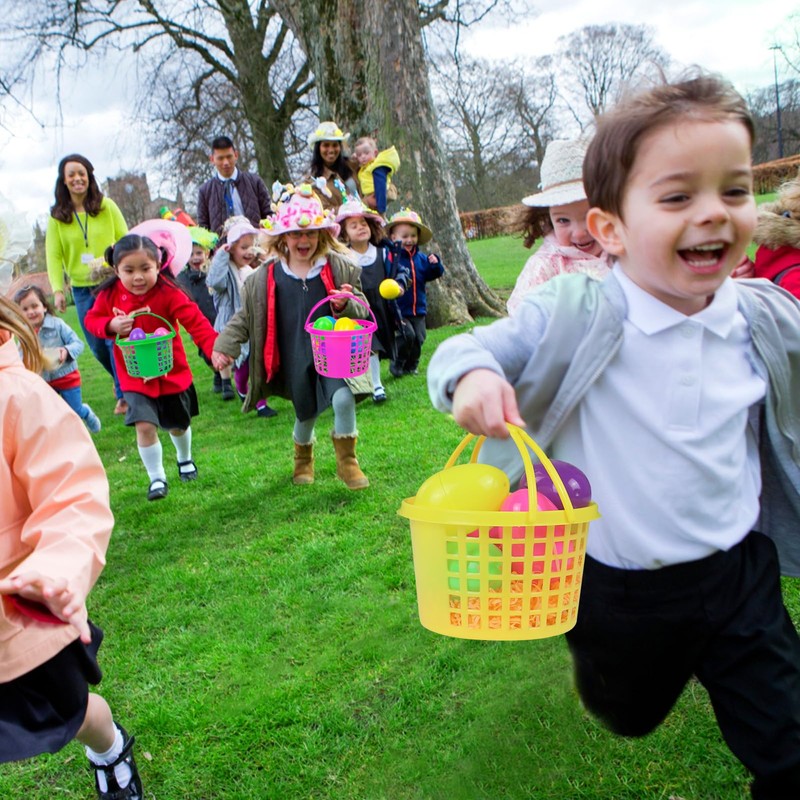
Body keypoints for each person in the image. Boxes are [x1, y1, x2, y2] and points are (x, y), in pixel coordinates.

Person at [427, 73, 800, 798]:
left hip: (737, 573)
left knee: (787, 745)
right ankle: (613, 680)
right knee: (626, 711)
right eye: (677, 196)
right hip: (618, 585)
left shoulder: (760, 314)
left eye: (734, 190)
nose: (715, 215)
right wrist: (472, 379)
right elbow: (463, 350)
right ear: (611, 229)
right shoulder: (578, 307)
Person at [0, 295, 143, 800]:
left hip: (17, 619)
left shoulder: (15, 396)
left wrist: (56, 570)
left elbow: (71, 496)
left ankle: (108, 745)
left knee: (73, 712)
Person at [212, 183, 373, 490]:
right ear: (283, 237)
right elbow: (246, 317)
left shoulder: (338, 269)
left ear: (322, 235)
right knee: (305, 413)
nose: (304, 240)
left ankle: (348, 462)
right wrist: (225, 347)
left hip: (332, 355)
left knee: (343, 397)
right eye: (297, 233)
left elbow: (362, 312)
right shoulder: (266, 277)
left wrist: (346, 304)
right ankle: (303, 458)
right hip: (292, 356)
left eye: (311, 233)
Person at [84, 234, 218, 501]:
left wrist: (214, 348)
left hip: (171, 373)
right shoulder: (111, 294)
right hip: (135, 377)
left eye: (145, 269)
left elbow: (195, 320)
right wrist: (111, 325)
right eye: (129, 270)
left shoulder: (169, 292)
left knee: (178, 424)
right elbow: (92, 320)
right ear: (116, 270)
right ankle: (157, 478)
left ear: (158, 266)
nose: (138, 277)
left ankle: (184, 458)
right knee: (144, 425)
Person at [45, 153, 129, 415]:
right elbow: (54, 255)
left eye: (81, 173)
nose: (77, 178)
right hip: (81, 288)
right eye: (71, 175)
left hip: (111, 282)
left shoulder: (107, 206)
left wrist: (117, 259)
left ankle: (124, 392)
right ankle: (121, 383)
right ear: (64, 181)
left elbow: (125, 238)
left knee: (113, 338)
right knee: (95, 343)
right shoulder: (58, 217)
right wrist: (58, 289)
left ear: (89, 176)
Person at [505, 138, 611, 315]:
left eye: (589, 217)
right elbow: (523, 319)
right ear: (549, 219)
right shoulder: (545, 267)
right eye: (563, 220)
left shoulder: (623, 254)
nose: (579, 232)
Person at [336, 198, 410, 403]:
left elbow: (401, 272)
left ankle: (402, 366)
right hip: (360, 309)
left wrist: (400, 285)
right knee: (370, 346)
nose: (361, 227)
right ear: (344, 233)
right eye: (354, 225)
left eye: (364, 223)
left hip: (383, 308)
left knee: (405, 337)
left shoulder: (384, 252)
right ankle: (376, 386)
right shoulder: (344, 258)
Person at [207, 220, 276, 417]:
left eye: (251, 246)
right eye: (243, 247)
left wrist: (265, 258)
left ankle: (256, 399)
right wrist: (221, 254)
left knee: (256, 363)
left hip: (252, 325)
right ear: (231, 249)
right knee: (244, 365)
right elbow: (215, 281)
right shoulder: (225, 270)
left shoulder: (249, 270)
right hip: (232, 327)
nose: (248, 252)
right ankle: (246, 392)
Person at [13, 284, 101, 434]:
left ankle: (85, 412)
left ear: (44, 307)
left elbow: (78, 343)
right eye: (25, 309)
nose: (31, 312)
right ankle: (64, 439)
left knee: (74, 411)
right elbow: (19, 357)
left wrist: (66, 351)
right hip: (44, 381)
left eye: (35, 306)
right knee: (51, 415)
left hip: (67, 377)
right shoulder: (23, 334)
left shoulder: (57, 325)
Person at [385, 208, 444, 377]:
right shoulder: (391, 258)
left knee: (419, 337)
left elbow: (433, 274)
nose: (409, 240)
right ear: (393, 237)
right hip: (399, 308)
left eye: (413, 236)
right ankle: (398, 363)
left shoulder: (421, 258)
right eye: (404, 236)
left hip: (418, 308)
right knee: (406, 335)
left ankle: (412, 365)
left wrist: (435, 265)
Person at [176, 226, 222, 394]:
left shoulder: (212, 271)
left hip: (216, 317)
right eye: (191, 254)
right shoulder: (182, 277)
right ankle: (217, 372)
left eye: (198, 253)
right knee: (204, 354)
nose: (195, 258)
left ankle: (224, 378)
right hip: (197, 320)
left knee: (220, 347)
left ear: (207, 254)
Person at [196, 136, 272, 235]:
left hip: (254, 246)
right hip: (221, 248)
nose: (226, 162)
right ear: (212, 159)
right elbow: (203, 229)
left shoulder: (255, 182)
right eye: (220, 158)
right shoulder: (205, 191)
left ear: (236, 155)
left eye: (229, 157)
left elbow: (269, 216)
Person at [304, 121, 359, 211]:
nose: (331, 150)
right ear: (318, 148)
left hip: (366, 222)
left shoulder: (353, 165)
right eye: (326, 145)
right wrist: (352, 210)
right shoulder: (312, 182)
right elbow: (323, 210)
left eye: (335, 145)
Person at [352, 136, 400, 215]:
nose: (363, 157)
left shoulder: (376, 167)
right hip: (371, 197)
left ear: (375, 153)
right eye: (359, 155)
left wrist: (381, 208)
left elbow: (380, 184)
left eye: (366, 153)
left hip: (378, 196)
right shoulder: (366, 167)